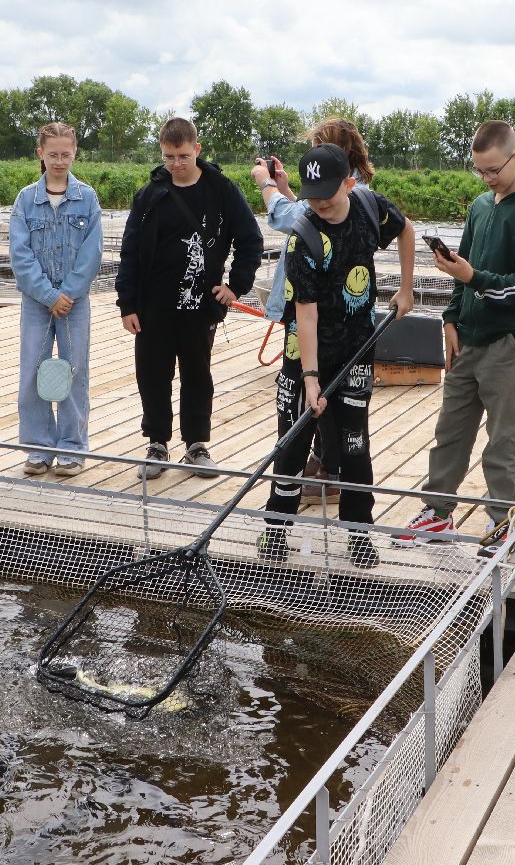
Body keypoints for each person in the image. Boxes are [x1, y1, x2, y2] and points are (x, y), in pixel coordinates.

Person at [394, 120, 515, 546]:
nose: (486, 179)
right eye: (479, 171)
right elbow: (461, 271)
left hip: (507, 341)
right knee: (451, 430)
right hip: (466, 337)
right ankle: (438, 511)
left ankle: (502, 518)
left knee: (504, 438)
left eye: (493, 170)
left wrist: (475, 277)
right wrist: (449, 318)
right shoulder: (481, 205)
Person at [258, 143, 415, 568]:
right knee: (292, 445)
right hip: (303, 353)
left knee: (354, 443)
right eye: (311, 196)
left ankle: (359, 535)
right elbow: (304, 317)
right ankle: (276, 529)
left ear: (350, 182)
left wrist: (405, 287)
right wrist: (310, 378)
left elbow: (405, 229)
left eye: (328, 194)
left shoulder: (368, 206)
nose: (319, 204)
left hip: (357, 346)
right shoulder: (302, 240)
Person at [116, 117, 263, 478]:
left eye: (182, 156)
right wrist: (127, 303)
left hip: (201, 305)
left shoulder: (222, 190)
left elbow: (250, 240)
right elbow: (130, 251)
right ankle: (157, 443)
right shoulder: (150, 194)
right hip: (153, 305)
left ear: (197, 149)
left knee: (197, 375)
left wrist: (235, 286)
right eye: (169, 157)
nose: (176, 164)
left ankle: (196, 445)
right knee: (152, 374)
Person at [251, 117, 378, 501]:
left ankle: (328, 468)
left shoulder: (355, 196)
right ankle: (325, 463)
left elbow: (291, 217)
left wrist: (267, 186)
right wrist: (291, 187)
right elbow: (308, 208)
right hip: (326, 328)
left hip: (331, 326)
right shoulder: (344, 188)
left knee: (324, 406)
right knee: (327, 406)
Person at [10, 122, 103, 477]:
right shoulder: (24, 200)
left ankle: (72, 447)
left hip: (75, 304)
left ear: (74, 153)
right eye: (53, 155)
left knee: (73, 372)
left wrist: (68, 293)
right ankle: (37, 448)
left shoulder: (88, 198)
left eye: (66, 154)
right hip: (36, 303)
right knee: (32, 372)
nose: (59, 161)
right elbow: (20, 256)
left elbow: (91, 255)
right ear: (41, 154)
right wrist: (49, 295)